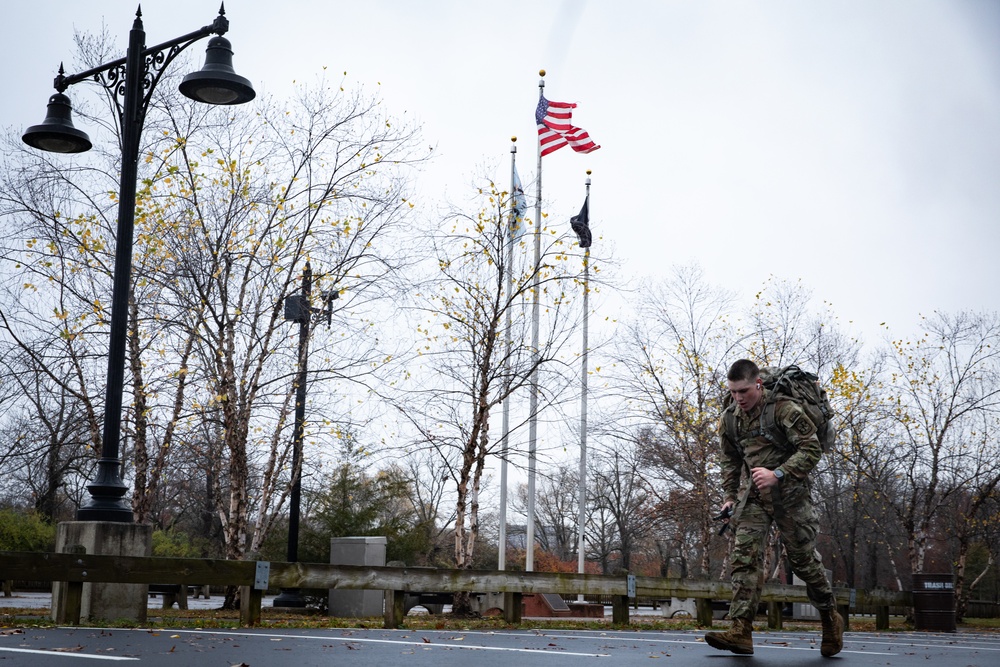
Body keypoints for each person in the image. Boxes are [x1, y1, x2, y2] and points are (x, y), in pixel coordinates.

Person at [705, 359, 844, 657]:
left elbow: (811, 449)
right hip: (754, 497)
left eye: (743, 391)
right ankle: (740, 630)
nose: (738, 398)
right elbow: (729, 459)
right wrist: (729, 496)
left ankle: (830, 619)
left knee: (804, 562)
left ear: (757, 383)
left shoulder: (783, 409)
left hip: (791, 496)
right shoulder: (730, 418)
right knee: (744, 559)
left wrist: (777, 473)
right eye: (733, 392)